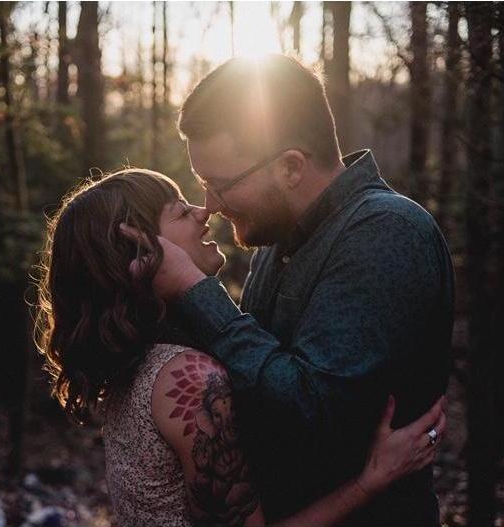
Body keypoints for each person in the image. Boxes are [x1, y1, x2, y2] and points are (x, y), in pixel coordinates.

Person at [126, 55, 455, 526]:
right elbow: (250, 389)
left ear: (292, 167)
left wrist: (195, 291)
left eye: (220, 184)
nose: (210, 205)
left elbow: (312, 414)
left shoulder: (385, 231)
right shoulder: (279, 242)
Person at [35, 169, 446, 527]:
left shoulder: (149, 359)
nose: (203, 211)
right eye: (180, 211)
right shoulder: (188, 379)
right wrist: (370, 480)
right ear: (142, 251)